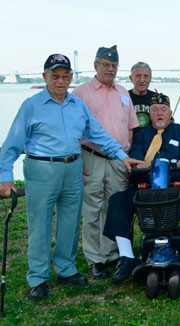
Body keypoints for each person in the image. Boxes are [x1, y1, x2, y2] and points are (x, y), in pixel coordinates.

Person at [0, 54, 141, 301]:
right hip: (42, 170)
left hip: (73, 168)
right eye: (55, 76)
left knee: (70, 223)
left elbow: (98, 134)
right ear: (45, 77)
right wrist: (5, 177)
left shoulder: (78, 105)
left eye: (65, 76)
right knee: (40, 226)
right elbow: (11, 145)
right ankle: (38, 278)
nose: (61, 80)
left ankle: (66, 269)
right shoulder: (31, 106)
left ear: (71, 78)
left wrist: (121, 155)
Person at [104, 93, 180, 283]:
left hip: (177, 186)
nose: (160, 113)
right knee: (119, 200)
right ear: (150, 114)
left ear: (170, 113)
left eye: (164, 110)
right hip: (147, 187)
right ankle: (126, 257)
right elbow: (135, 155)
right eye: (155, 110)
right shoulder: (141, 136)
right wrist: (138, 164)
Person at [73, 45, 139, 279]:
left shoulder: (123, 92)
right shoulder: (81, 93)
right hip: (92, 158)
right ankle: (95, 258)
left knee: (115, 209)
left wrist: (126, 150)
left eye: (114, 65)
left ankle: (112, 252)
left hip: (119, 160)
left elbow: (131, 125)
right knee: (92, 209)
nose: (110, 69)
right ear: (95, 66)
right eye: (105, 65)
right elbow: (74, 130)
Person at [128, 62, 156, 135]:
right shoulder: (124, 97)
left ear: (150, 78)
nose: (142, 80)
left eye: (146, 76)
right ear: (131, 78)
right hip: (130, 140)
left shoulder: (157, 98)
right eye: (138, 76)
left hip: (152, 142)